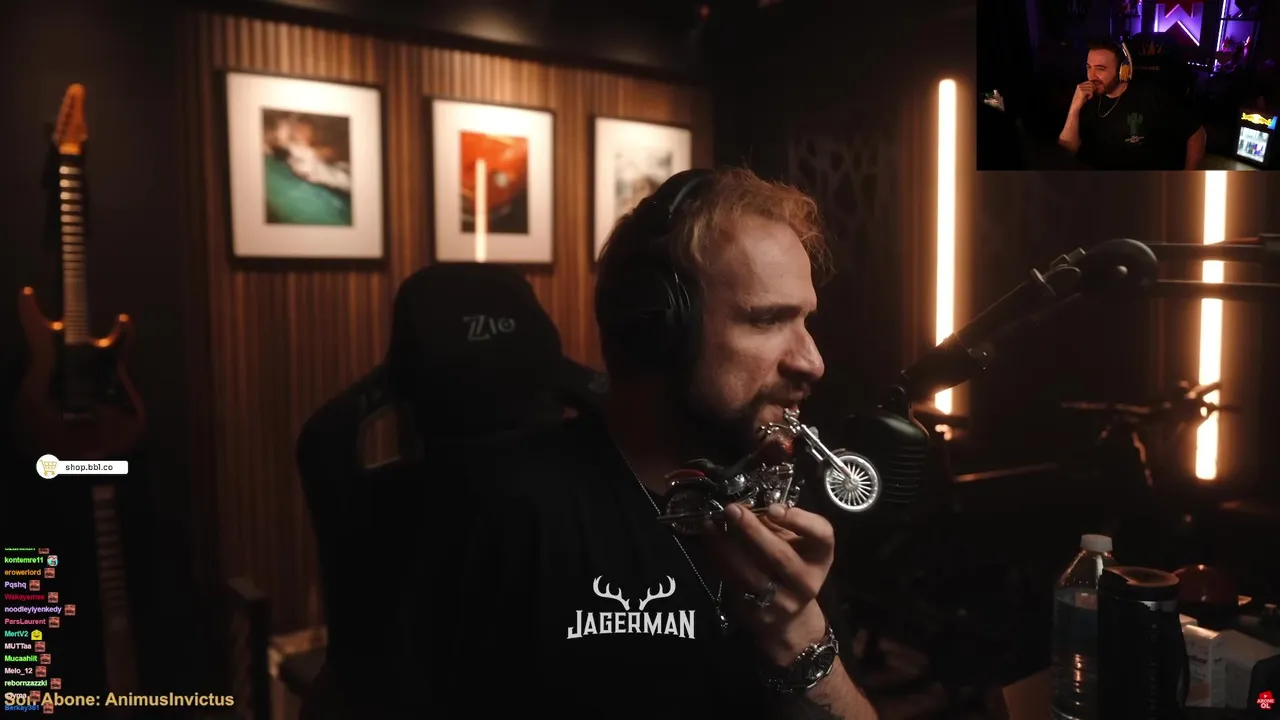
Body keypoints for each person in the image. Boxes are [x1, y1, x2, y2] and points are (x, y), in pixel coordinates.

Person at [409, 168, 878, 718]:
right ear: (657, 329)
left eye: (805, 320)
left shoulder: (779, 502)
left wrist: (798, 638)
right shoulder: (510, 513)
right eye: (768, 320)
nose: (812, 362)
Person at [1058, 38, 1206, 170]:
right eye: (1089, 67)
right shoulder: (1086, 97)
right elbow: (1068, 149)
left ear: (1123, 70)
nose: (1091, 76)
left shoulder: (1152, 96)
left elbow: (1197, 134)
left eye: (1100, 69)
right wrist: (1074, 107)